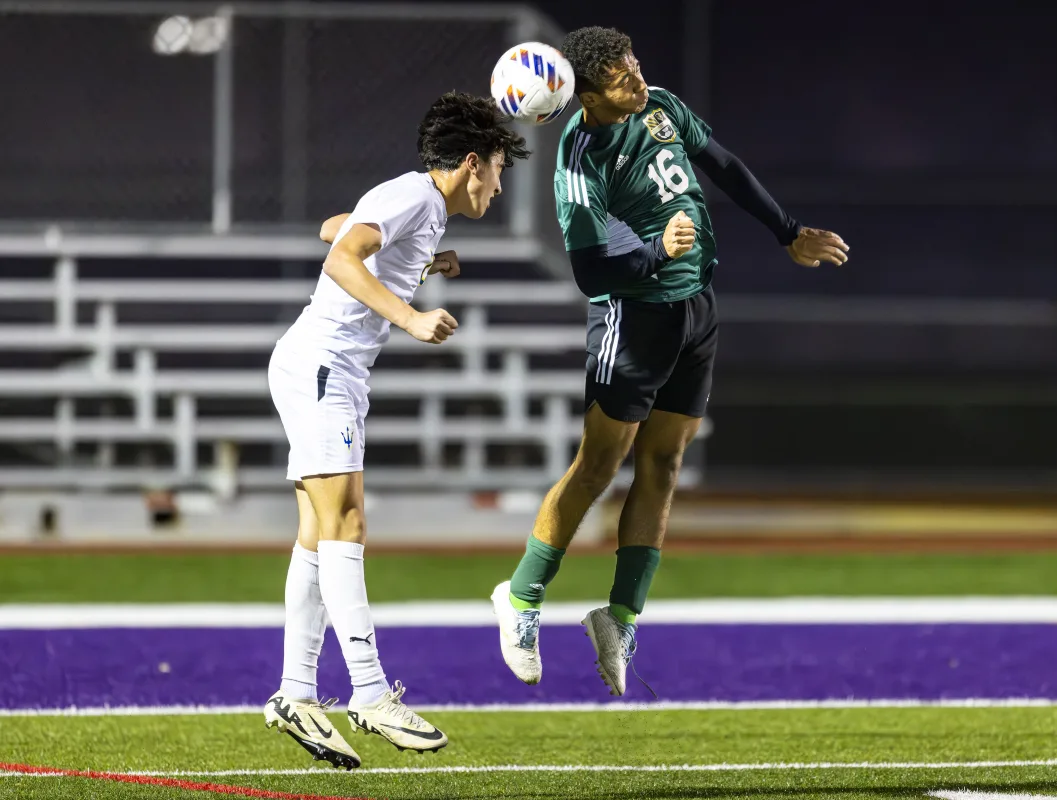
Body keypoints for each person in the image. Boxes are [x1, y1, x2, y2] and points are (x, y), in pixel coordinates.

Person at [490, 27, 848, 697]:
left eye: (637, 68)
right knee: (599, 463)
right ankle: (520, 596)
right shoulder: (580, 153)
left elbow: (725, 165)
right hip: (633, 314)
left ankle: (620, 616)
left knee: (666, 461)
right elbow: (587, 265)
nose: (638, 82)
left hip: (695, 308)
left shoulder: (660, 104)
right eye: (624, 79)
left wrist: (788, 232)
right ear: (587, 94)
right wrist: (656, 248)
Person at [263, 91, 530, 768]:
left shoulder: (422, 209)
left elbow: (337, 228)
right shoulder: (416, 197)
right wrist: (412, 316)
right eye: (499, 168)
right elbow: (341, 256)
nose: (500, 185)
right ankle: (370, 693)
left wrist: (420, 262)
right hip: (325, 367)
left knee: (318, 533)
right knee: (347, 523)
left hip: (325, 369)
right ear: (472, 164)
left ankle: (298, 692)